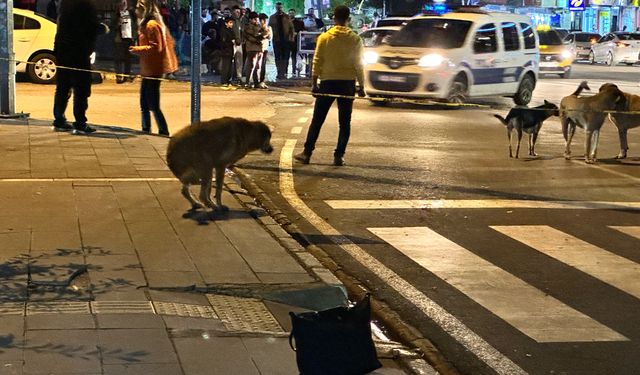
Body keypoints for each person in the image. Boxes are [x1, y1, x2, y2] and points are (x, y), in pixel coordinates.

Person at [294, 5, 365, 167]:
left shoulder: (324, 38)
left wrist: (314, 83)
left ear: (334, 18)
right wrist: (361, 86)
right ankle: (339, 156)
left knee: (317, 120)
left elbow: (317, 61)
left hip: (327, 83)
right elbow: (359, 65)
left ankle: (307, 153)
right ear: (349, 19)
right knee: (345, 122)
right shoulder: (355, 39)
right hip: (347, 84)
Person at [52, 0, 106, 133]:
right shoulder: (86, 4)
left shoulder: (64, 4)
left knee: (63, 86)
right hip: (79, 52)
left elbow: (62, 26)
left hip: (63, 50)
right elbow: (90, 27)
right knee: (81, 88)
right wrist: (102, 28)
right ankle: (80, 122)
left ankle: (59, 120)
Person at [129, 0, 178, 136]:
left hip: (153, 69)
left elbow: (157, 47)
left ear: (145, 9)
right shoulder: (147, 24)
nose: (135, 10)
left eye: (138, 8)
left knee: (152, 104)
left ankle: (162, 130)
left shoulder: (152, 25)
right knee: (144, 103)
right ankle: (146, 129)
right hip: (148, 69)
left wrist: (137, 49)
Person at [269, 2, 294, 79]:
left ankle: (284, 72)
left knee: (285, 57)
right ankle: (279, 72)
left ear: (282, 8)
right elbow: (269, 28)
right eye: (277, 7)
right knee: (277, 57)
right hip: (276, 40)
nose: (279, 9)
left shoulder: (287, 17)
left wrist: (291, 38)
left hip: (286, 40)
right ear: (276, 8)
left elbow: (291, 28)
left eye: (280, 7)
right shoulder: (272, 17)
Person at [113, 0, 135, 84]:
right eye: (121, 3)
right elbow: (112, 25)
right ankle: (119, 76)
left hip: (129, 38)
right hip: (119, 39)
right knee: (118, 58)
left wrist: (134, 36)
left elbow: (134, 25)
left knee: (128, 58)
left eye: (124, 3)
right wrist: (117, 23)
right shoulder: (117, 14)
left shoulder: (131, 13)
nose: (123, 5)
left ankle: (126, 76)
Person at [242, 12, 266, 88]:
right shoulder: (247, 26)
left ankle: (256, 83)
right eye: (254, 19)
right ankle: (247, 82)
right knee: (251, 66)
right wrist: (259, 36)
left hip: (259, 49)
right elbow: (252, 35)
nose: (256, 20)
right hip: (252, 48)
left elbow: (265, 33)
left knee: (258, 67)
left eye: (257, 19)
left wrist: (262, 33)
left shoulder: (259, 26)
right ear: (250, 19)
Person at [219, 16, 236, 86]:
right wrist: (231, 42)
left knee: (229, 66)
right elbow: (223, 42)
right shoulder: (224, 31)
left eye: (232, 23)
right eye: (230, 23)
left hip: (230, 51)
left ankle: (228, 80)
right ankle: (224, 80)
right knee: (226, 66)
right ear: (226, 23)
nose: (231, 24)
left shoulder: (230, 30)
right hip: (226, 51)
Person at [289, 9, 305, 77]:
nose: (291, 14)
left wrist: (297, 33)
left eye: (292, 13)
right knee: (288, 57)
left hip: (296, 42)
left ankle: (294, 71)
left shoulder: (299, 22)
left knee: (295, 57)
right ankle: (288, 71)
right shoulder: (286, 22)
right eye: (290, 13)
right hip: (288, 42)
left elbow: (302, 31)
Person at [258, 13, 271, 88]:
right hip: (257, 48)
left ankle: (262, 81)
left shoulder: (268, 27)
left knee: (263, 65)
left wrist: (266, 31)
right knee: (257, 65)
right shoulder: (257, 27)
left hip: (265, 48)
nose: (264, 21)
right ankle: (256, 81)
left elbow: (269, 37)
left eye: (265, 20)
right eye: (263, 20)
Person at [231, 5, 244, 83]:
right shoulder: (230, 20)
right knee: (232, 60)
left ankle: (239, 76)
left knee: (239, 60)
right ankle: (232, 76)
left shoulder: (239, 21)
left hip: (239, 43)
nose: (238, 13)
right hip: (232, 43)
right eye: (236, 11)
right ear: (233, 12)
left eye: (239, 12)